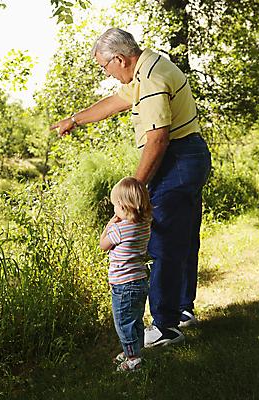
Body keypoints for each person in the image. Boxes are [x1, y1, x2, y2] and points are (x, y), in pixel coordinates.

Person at [50, 27, 211, 348]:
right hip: (191, 154)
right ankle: (181, 310)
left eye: (104, 67)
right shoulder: (149, 68)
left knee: (163, 242)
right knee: (184, 236)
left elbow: (157, 141)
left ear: (120, 59)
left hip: (176, 158)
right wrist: (74, 120)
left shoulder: (150, 80)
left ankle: (165, 326)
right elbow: (113, 103)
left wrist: (133, 189)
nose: (106, 74)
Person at [99, 177, 152, 372]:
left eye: (114, 205)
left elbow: (103, 245)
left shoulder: (118, 229)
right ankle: (133, 349)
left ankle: (133, 359)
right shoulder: (144, 224)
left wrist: (109, 224)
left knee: (123, 323)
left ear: (121, 206)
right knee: (136, 319)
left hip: (123, 285)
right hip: (140, 281)